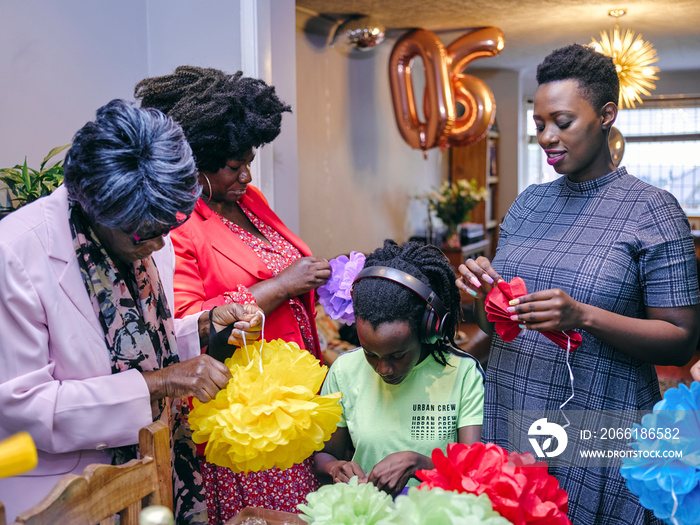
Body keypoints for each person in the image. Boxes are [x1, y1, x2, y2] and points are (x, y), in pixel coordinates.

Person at [457, 44, 700, 524]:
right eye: (539, 124)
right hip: (512, 405)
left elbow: (682, 338)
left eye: (562, 122)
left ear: (606, 115)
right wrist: (483, 297)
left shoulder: (653, 210)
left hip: (598, 419)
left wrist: (583, 315)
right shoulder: (527, 205)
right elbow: (495, 321)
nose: (547, 136)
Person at [0, 99, 263, 524]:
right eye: (147, 234)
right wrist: (160, 383)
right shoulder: (13, 254)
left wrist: (200, 327)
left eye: (169, 227)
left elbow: (137, 338)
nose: (159, 245)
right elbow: (26, 408)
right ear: (96, 210)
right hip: (67, 492)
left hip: (155, 468)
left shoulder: (145, 228)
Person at [134, 66, 331, 521]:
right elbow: (187, 321)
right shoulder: (180, 225)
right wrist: (281, 286)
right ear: (197, 161)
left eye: (249, 161)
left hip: (287, 397)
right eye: (232, 165)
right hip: (242, 410)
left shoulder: (250, 199)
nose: (245, 175)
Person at [315, 240, 484, 497]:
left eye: (398, 355)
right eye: (371, 354)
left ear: (427, 330)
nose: (384, 369)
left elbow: (475, 473)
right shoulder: (344, 370)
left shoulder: (462, 374)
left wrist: (421, 464)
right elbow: (325, 455)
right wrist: (335, 467)